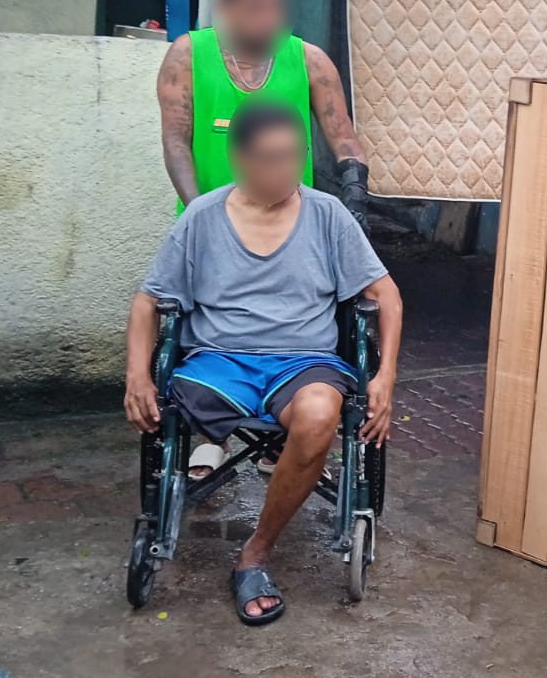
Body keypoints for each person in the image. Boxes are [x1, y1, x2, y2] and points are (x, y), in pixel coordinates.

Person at [123, 100, 402, 626]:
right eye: (271, 158)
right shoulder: (203, 217)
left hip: (303, 363)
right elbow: (148, 301)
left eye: (294, 156)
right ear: (239, 159)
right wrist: (136, 375)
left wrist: (385, 375)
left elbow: (385, 294)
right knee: (171, 406)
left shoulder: (328, 215)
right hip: (218, 362)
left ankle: (254, 554)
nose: (285, 170)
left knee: (319, 414)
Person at [156, 0, 372, 478]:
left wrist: (353, 198)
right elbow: (176, 141)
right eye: (253, 9)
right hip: (214, 224)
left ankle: (293, 440)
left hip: (289, 222)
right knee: (212, 327)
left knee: (306, 321)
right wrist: (199, 213)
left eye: (274, 8)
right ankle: (211, 435)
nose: (265, 20)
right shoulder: (188, 55)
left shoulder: (310, 61)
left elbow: (344, 137)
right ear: (226, 8)